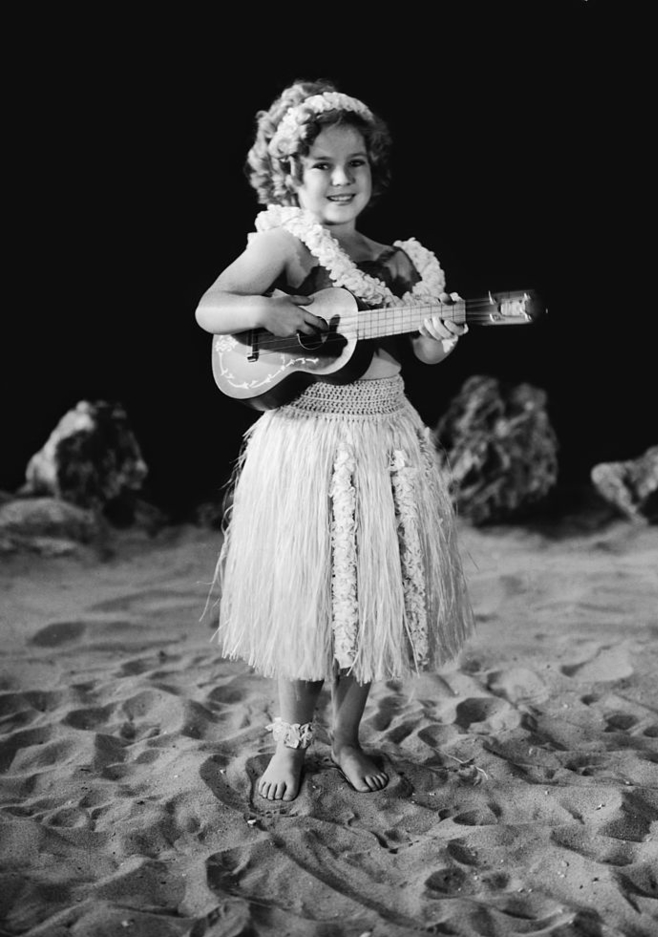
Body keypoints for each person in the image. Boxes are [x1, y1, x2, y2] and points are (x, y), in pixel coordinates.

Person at [196, 79, 473, 803]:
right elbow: (211, 309)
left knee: (370, 597)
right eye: (322, 164)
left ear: (375, 170)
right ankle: (289, 746)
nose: (342, 178)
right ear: (292, 172)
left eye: (357, 163)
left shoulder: (404, 262)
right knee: (308, 599)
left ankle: (346, 738)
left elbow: (425, 354)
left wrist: (441, 337)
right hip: (308, 440)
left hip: (385, 441)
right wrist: (270, 312)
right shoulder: (288, 247)